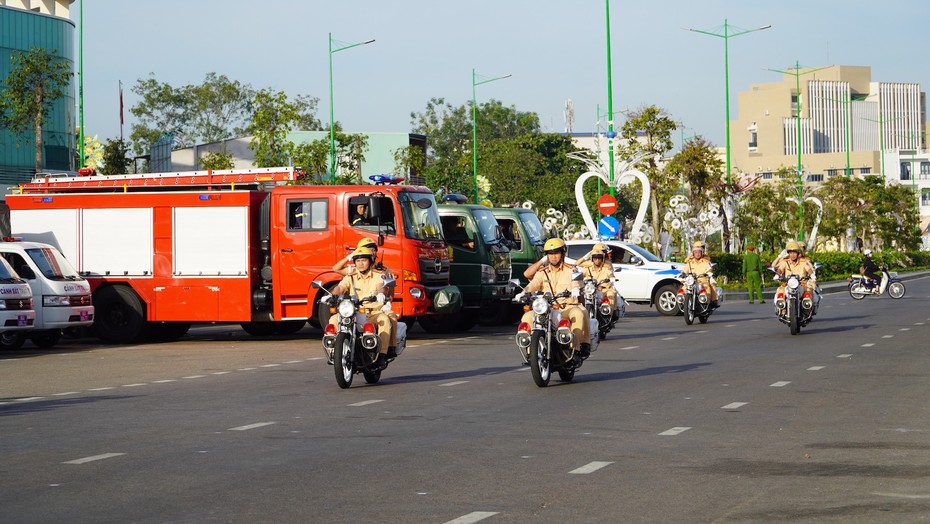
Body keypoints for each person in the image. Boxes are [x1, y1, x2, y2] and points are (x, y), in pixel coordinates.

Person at [515, 237, 591, 359]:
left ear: (563, 254)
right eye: (550, 254)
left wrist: (575, 289)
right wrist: (523, 293)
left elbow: (577, 284)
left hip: (567, 307)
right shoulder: (542, 272)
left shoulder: (573, 270)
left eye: (556, 252)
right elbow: (532, 283)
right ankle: (532, 352)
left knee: (579, 314)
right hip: (547, 308)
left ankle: (575, 349)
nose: (553, 256)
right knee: (527, 317)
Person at [323, 246, 397, 364]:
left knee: (384, 319)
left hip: (372, 313)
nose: (360, 264)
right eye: (358, 261)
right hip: (354, 311)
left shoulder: (378, 276)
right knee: (333, 319)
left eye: (364, 260)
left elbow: (380, 287)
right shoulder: (350, 276)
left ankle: (382, 354)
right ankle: (333, 352)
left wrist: (381, 294)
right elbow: (340, 288)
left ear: (370, 261)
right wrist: (330, 295)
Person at [772, 240, 818, 312]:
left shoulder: (803, 262)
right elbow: (780, 269)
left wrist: (812, 275)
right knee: (779, 291)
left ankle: (808, 309)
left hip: (802, 284)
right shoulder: (785, 262)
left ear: (798, 253)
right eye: (791, 253)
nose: (792, 255)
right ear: (788, 254)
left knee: (809, 291)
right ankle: (780, 308)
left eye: (794, 253)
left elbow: (808, 269)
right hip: (788, 284)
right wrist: (777, 275)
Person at [578, 243, 619, 315]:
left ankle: (609, 313)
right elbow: (577, 266)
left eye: (599, 257)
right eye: (595, 258)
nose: (597, 260)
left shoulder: (606, 265)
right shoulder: (587, 267)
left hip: (603, 289)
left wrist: (612, 278)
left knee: (611, 293)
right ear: (592, 258)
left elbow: (610, 273)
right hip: (591, 289)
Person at [682, 240, 718, 308]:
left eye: (699, 252)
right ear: (693, 253)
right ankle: (682, 302)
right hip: (692, 281)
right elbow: (685, 270)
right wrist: (683, 274)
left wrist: (708, 273)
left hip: (703, 281)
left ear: (702, 252)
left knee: (708, 289)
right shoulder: (689, 262)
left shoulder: (706, 261)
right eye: (695, 252)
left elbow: (709, 269)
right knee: (683, 289)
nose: (697, 254)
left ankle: (712, 302)